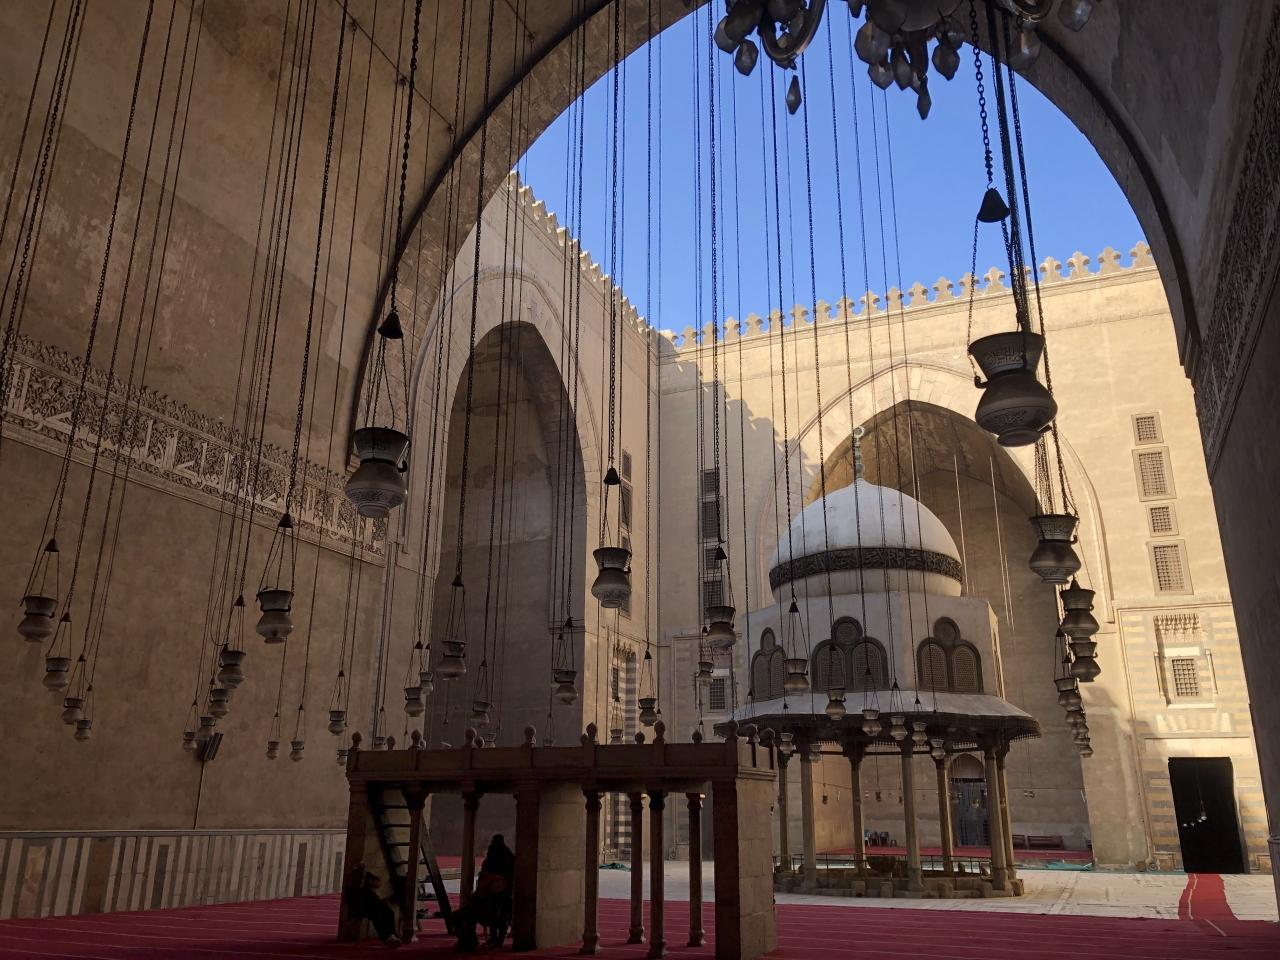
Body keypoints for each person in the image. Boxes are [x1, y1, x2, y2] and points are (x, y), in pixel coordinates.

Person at [455, 834, 515, 951]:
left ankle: (488, 940)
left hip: (496, 902)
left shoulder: (499, 865)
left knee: (496, 913)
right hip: (488, 901)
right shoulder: (504, 860)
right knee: (465, 915)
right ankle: (471, 940)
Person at [344, 863, 402, 948]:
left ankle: (392, 935)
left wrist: (369, 880)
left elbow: (378, 883)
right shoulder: (353, 877)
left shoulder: (367, 875)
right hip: (361, 905)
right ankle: (387, 938)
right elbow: (353, 893)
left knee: (389, 912)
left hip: (373, 903)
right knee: (377, 916)